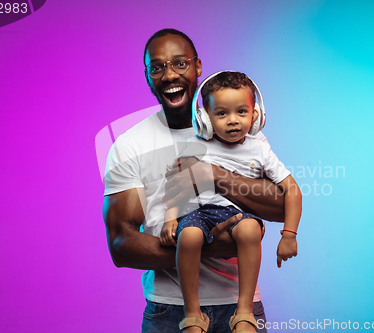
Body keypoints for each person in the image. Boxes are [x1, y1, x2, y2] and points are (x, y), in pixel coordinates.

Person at [103, 29, 286, 333]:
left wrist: (213, 176)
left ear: (198, 68)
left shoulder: (239, 130)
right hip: (169, 312)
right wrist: (211, 246)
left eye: (180, 64)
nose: (169, 75)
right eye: (157, 67)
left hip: (241, 309)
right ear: (148, 77)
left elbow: (281, 206)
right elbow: (121, 245)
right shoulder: (130, 145)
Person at [161, 71, 302, 333]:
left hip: (239, 215)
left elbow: (292, 190)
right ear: (204, 119)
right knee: (189, 236)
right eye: (222, 114)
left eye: (241, 112)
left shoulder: (259, 148)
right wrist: (170, 217)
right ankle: (192, 314)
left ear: (256, 115)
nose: (233, 121)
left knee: (249, 230)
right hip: (200, 213)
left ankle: (244, 312)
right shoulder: (196, 144)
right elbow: (177, 187)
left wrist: (289, 235)